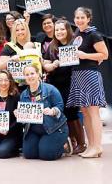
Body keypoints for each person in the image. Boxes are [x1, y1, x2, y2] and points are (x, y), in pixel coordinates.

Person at [67, 7, 109, 158]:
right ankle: (91, 145)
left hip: (90, 75)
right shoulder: (77, 34)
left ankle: (97, 146)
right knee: (85, 112)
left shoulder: (94, 34)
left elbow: (104, 55)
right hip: (77, 74)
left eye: (82, 18)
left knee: (93, 112)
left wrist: (85, 55)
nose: (79, 20)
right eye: (77, 17)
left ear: (88, 18)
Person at [43, 19, 86, 155]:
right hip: (55, 84)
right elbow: (46, 65)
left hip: (71, 82)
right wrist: (54, 64)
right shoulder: (52, 46)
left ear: (68, 30)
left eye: (62, 29)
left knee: (72, 113)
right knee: (62, 114)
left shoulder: (75, 44)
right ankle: (71, 141)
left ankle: (81, 143)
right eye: (57, 30)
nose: (59, 32)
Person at [16, 65, 68, 161]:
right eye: (27, 74)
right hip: (34, 130)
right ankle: (43, 144)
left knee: (47, 155)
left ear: (38, 74)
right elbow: (25, 117)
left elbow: (60, 106)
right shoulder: (23, 95)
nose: (30, 76)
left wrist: (53, 111)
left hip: (54, 128)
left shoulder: (50, 89)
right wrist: (19, 114)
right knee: (29, 154)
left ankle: (63, 146)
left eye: (32, 73)